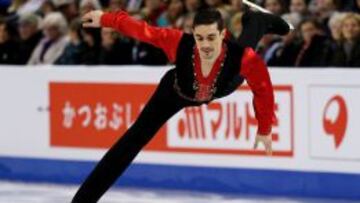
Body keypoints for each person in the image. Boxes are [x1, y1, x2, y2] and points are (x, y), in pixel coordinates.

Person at [72, 8, 275, 203]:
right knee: (131, 141)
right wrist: (107, 19)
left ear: (223, 34)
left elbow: (263, 90)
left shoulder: (242, 58)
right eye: (200, 37)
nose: (205, 45)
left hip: (220, 86)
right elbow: (143, 31)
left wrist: (264, 128)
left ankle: (258, 21)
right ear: (193, 34)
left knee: (245, 52)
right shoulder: (179, 42)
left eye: (211, 37)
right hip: (174, 93)